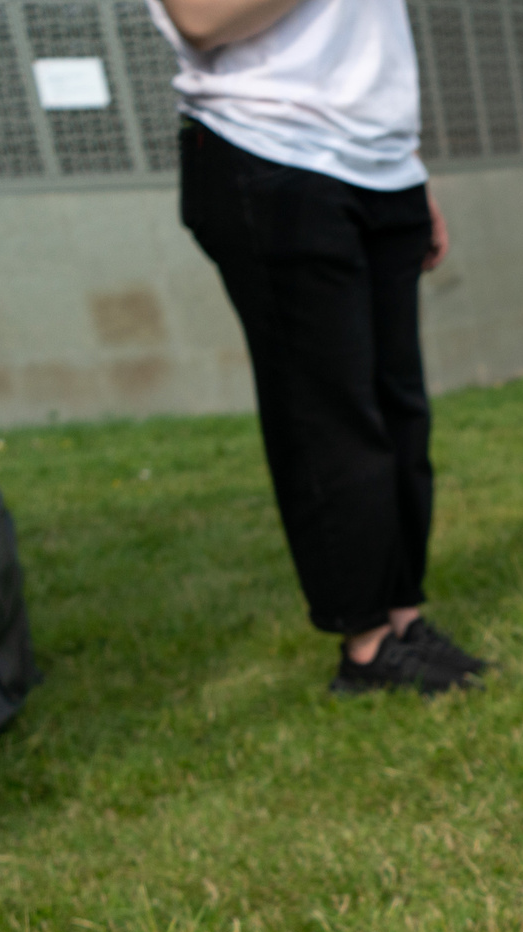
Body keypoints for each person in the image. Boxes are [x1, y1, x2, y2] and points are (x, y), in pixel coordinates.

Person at [152, 0, 488, 696]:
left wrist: (405, 165)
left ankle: (403, 620)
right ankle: (365, 646)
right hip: (268, 146)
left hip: (380, 162)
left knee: (400, 412)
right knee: (329, 416)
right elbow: (201, 18)